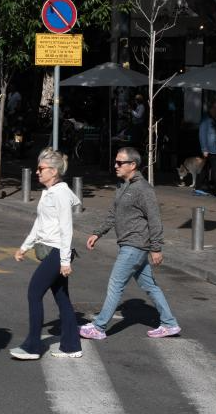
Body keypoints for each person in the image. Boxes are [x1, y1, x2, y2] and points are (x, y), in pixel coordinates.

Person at [80, 147, 182, 341]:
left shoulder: (143, 189)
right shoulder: (122, 186)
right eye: (116, 162)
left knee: (115, 285)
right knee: (150, 286)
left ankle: (99, 327)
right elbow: (113, 214)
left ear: (132, 165)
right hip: (131, 245)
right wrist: (98, 232)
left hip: (135, 245)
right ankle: (169, 324)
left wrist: (156, 248)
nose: (115, 165)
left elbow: (154, 219)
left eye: (120, 162)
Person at [11, 148, 82, 360]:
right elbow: (40, 223)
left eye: (41, 168)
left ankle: (33, 346)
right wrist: (25, 246)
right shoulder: (51, 192)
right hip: (53, 250)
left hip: (57, 251)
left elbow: (66, 228)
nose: (37, 172)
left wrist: (65, 261)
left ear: (53, 171)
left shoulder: (60, 194)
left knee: (34, 293)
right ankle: (71, 346)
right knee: (62, 298)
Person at [198, 100, 216, 198]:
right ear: (212, 108)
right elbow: (202, 134)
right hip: (210, 148)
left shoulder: (215, 119)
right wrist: (204, 149)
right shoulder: (206, 119)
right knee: (215, 169)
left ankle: (200, 187)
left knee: (206, 168)